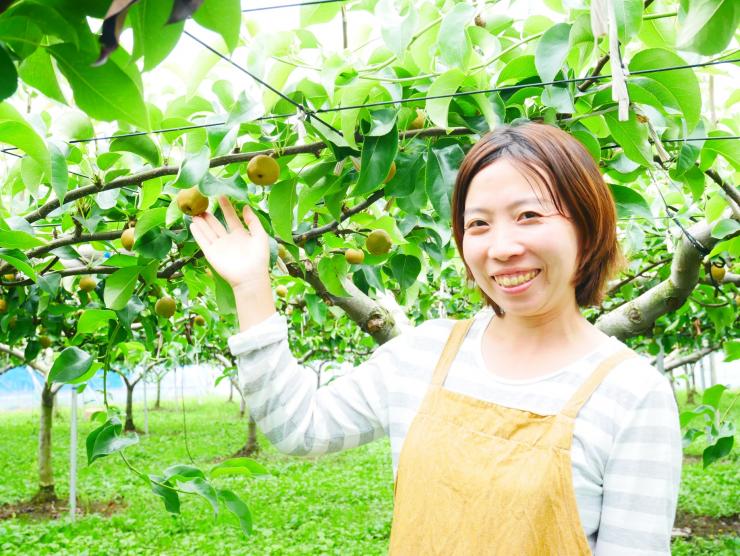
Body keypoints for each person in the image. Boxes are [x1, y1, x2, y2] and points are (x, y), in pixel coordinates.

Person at [190, 122, 682, 555]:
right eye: (478, 224)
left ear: (588, 224)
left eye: (529, 216)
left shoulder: (632, 395)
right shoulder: (425, 353)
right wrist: (252, 288)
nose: (503, 247)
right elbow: (298, 428)